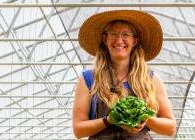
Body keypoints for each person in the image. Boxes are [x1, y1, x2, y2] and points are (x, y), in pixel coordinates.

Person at [73, 10, 177, 140]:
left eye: (126, 34)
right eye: (114, 34)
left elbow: (170, 127)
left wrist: (143, 117)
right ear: (105, 39)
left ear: (135, 40)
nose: (119, 40)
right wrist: (109, 120)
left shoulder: (150, 79)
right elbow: (78, 130)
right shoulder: (88, 79)